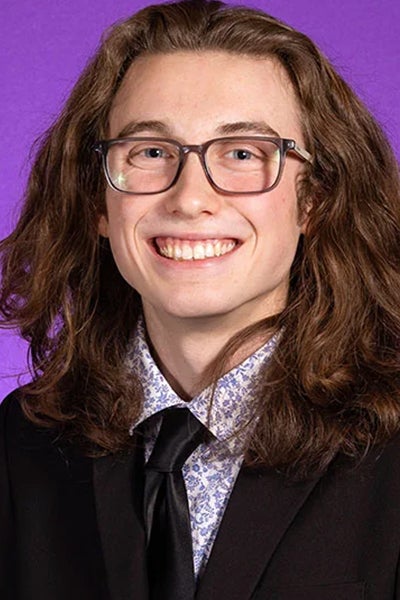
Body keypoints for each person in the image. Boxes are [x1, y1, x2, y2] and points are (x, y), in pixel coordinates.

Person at [1, 0, 400, 598]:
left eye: (242, 153)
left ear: (315, 199)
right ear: (97, 203)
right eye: (151, 152)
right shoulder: (19, 448)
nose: (190, 199)